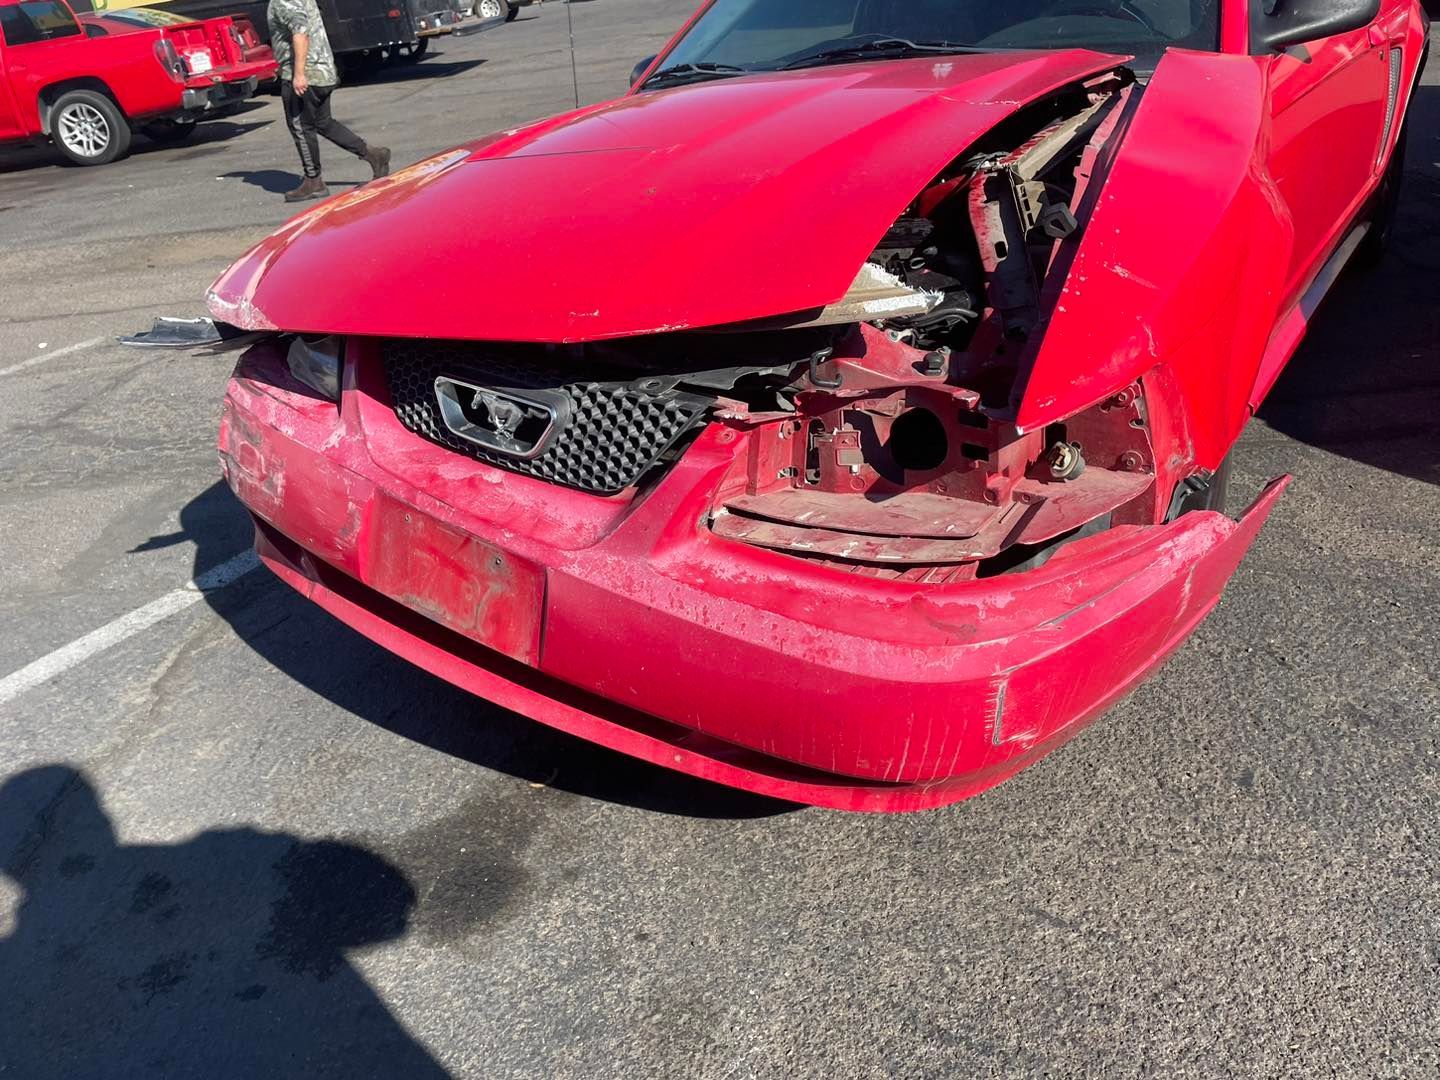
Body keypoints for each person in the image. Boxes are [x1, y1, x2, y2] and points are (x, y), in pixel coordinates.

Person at [267, 0, 391, 202]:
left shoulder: (283, 1)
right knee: (323, 123)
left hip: (306, 75)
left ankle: (313, 181)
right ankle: (374, 155)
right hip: (323, 70)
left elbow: (300, 33)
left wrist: (298, 73)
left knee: (300, 126)